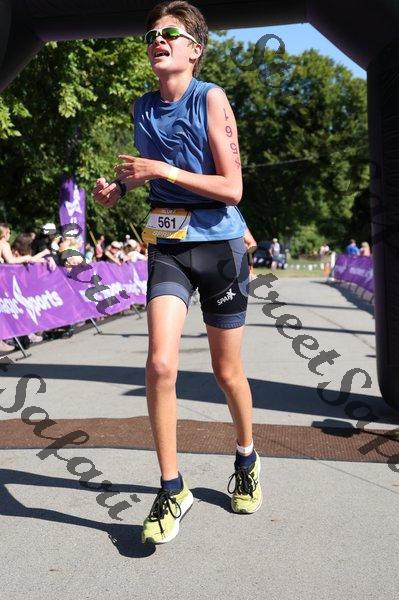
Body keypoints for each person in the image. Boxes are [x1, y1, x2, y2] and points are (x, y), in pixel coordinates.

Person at [93, 0, 262, 545]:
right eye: (151, 35)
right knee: (160, 364)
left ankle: (246, 457)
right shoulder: (143, 107)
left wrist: (161, 169)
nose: (157, 41)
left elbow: (232, 188)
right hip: (168, 245)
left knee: (226, 372)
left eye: (169, 33)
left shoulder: (210, 98)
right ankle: (172, 487)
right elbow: (150, 177)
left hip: (220, 248)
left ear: (195, 49)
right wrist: (121, 188)